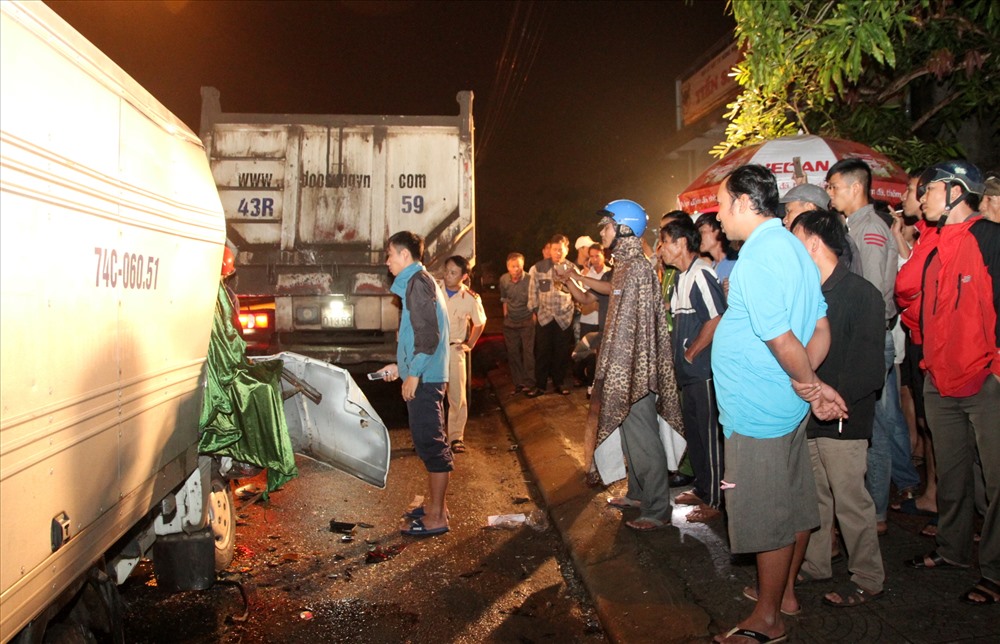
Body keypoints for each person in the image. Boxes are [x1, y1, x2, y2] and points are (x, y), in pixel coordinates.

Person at [711, 164, 845, 644]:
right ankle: (784, 594)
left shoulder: (761, 255)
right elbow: (821, 326)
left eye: (724, 205)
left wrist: (810, 385)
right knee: (789, 505)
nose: (719, 217)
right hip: (782, 404)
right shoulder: (793, 246)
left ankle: (767, 620)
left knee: (765, 516)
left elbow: (779, 336)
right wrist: (809, 385)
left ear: (746, 203)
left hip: (758, 412)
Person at [904, 161, 1000, 607]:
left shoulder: (990, 239)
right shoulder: (937, 243)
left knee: (996, 480)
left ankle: (996, 572)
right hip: (940, 381)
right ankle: (954, 550)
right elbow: (921, 306)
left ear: (958, 191)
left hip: (985, 381)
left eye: (930, 189)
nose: (922, 197)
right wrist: (928, 365)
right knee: (953, 473)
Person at [790, 210, 886, 607]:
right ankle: (815, 564)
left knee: (851, 500)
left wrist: (830, 402)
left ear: (814, 242)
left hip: (845, 414)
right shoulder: (806, 291)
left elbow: (870, 369)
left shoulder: (861, 293)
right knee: (814, 499)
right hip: (810, 412)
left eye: (795, 238)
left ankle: (868, 577)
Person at [825, 158, 916, 536]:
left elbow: (876, 293)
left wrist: (857, 342)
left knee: (875, 427)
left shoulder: (870, 230)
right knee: (871, 424)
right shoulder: (853, 226)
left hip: (869, 339)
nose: (830, 194)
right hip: (861, 338)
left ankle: (877, 511)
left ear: (854, 187)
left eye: (833, 187)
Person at [586, 199, 685, 531]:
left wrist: (625, 371)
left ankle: (657, 509)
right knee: (630, 436)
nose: (602, 232)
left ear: (623, 228)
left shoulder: (638, 269)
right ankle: (639, 492)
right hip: (624, 369)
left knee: (643, 438)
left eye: (607, 226)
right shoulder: (626, 266)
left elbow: (638, 332)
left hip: (636, 373)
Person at [378, 231, 452, 537]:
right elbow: (417, 334)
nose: (387, 261)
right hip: (426, 373)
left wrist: (414, 373)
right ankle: (438, 507)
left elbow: (428, 336)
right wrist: (401, 367)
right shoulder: (417, 282)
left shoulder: (417, 283)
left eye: (390, 255)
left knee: (432, 446)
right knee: (427, 443)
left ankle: (437, 517)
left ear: (405, 255)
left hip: (428, 378)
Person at [657, 217, 726, 524]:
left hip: (704, 372)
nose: (662, 249)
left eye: (665, 242)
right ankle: (702, 486)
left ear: (681, 243)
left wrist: (692, 351)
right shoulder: (681, 276)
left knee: (710, 435)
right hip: (689, 373)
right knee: (696, 435)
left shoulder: (701, 274)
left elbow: (716, 318)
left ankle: (715, 499)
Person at [439, 255, 486, 454]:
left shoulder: (470, 298)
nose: (448, 275)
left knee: (457, 396)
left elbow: (480, 322)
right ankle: (432, 436)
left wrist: (471, 343)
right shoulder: (434, 290)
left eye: (453, 273)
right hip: (433, 350)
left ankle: (456, 437)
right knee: (432, 395)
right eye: (447, 270)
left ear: (464, 276)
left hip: (454, 349)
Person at [526, 234, 575, 397]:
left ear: (566, 250)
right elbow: (532, 291)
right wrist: (534, 310)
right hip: (545, 316)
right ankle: (540, 385)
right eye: (554, 250)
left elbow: (579, 292)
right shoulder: (538, 268)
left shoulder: (572, 269)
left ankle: (559, 383)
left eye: (560, 250)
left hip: (564, 317)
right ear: (550, 250)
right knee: (542, 351)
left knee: (561, 352)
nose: (557, 253)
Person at [499, 252, 535, 395]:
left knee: (528, 353)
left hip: (526, 320)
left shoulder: (530, 280)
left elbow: (534, 299)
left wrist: (534, 317)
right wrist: (505, 316)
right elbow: (504, 299)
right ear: (508, 267)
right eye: (513, 267)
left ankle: (530, 382)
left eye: (519, 266)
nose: (516, 270)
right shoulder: (504, 280)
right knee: (513, 353)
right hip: (510, 323)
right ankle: (518, 382)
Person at [695, 212, 738, 286]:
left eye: (702, 232)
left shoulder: (735, 262)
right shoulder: (712, 267)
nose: (698, 238)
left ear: (718, 231)